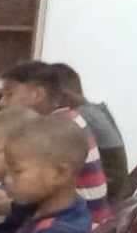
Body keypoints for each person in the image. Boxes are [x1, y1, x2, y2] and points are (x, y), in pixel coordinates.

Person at [0, 60, 110, 225]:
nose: (2, 102)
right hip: (84, 218)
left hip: (78, 227)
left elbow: (19, 193)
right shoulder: (66, 118)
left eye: (9, 94)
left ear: (37, 95)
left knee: (0, 227)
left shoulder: (56, 131)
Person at [46, 62, 129, 199]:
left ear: (62, 96)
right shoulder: (94, 110)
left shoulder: (80, 118)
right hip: (114, 190)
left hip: (104, 196)